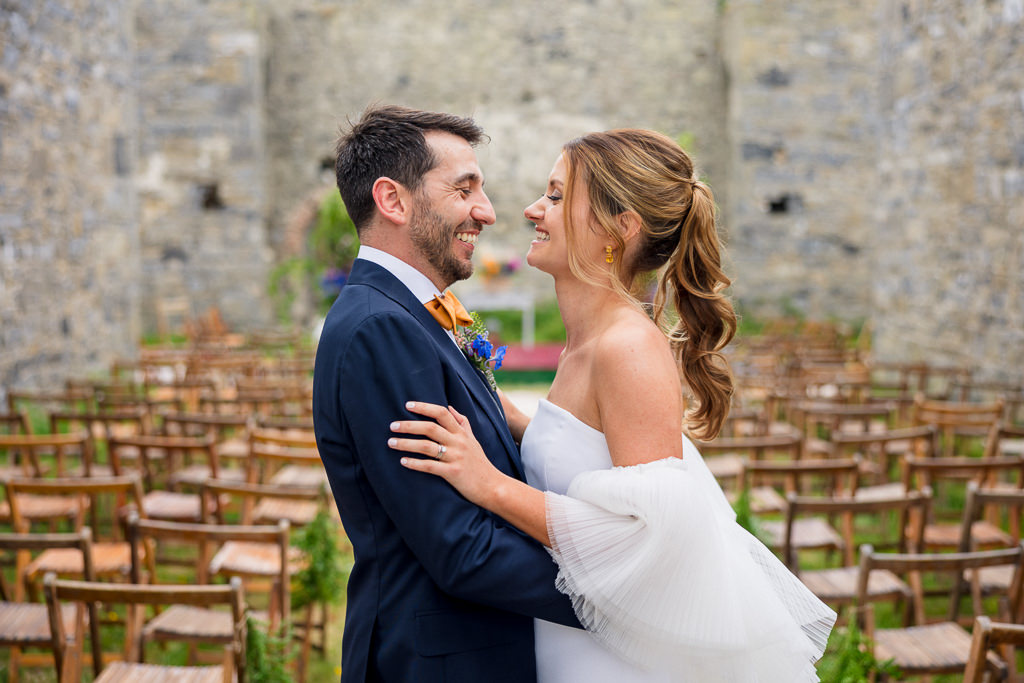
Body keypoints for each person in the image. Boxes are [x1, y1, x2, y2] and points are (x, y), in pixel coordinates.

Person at [388, 129, 837, 681]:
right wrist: (503, 414)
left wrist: (490, 485)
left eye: (555, 196)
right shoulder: (588, 341)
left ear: (619, 228)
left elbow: (650, 534)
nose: (533, 209)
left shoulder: (626, 348)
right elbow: (587, 454)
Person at [311, 104, 581, 683]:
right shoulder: (379, 329)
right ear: (394, 201)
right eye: (464, 190)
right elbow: (461, 549)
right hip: (438, 662)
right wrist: (614, 594)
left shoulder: (417, 315)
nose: (485, 212)